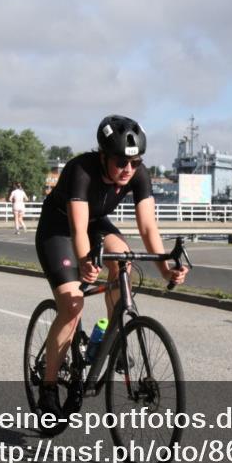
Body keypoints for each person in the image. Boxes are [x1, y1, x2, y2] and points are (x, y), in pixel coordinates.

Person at [34, 115, 188, 417]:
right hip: (58, 229)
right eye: (120, 162)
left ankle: (112, 340)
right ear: (103, 156)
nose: (128, 170)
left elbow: (148, 228)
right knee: (72, 305)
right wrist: (85, 262)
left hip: (95, 224)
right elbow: (78, 231)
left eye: (135, 162)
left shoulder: (137, 173)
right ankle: (48, 387)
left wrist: (165, 269)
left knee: (125, 259)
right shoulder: (80, 169)